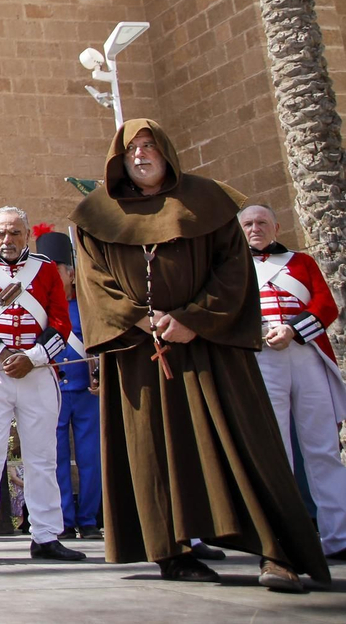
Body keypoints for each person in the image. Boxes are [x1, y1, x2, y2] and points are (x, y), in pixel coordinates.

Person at [72, 119, 329, 591]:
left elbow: (234, 271)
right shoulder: (95, 216)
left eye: (150, 146)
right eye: (133, 149)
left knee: (244, 442)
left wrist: (194, 318)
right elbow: (94, 283)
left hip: (210, 346)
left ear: (167, 151)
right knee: (152, 451)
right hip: (139, 353)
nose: (142, 155)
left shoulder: (207, 202)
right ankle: (174, 553)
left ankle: (278, 551)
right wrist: (142, 318)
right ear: (119, 159)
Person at [0, 207, 85, 564]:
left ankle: (46, 535)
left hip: (37, 371)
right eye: (0, 234)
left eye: (14, 233)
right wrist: (1, 353)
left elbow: (60, 320)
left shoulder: (44, 269)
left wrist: (35, 357)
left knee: (43, 457)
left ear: (26, 235)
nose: (7, 241)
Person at [240, 202, 346, 562]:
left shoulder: (302, 262)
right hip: (261, 358)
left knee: (323, 448)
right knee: (276, 449)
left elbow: (325, 304)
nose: (255, 228)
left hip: (305, 354)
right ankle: (285, 540)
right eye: (249, 224)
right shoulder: (232, 268)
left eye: (262, 222)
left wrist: (294, 330)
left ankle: (339, 535)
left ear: (276, 227)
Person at [35, 224, 103, 541]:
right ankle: (62, 518)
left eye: (56, 270)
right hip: (52, 390)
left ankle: (89, 518)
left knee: (91, 458)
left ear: (71, 273)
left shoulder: (89, 308)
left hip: (88, 392)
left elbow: (100, 344)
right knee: (55, 459)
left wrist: (99, 373)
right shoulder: (39, 310)